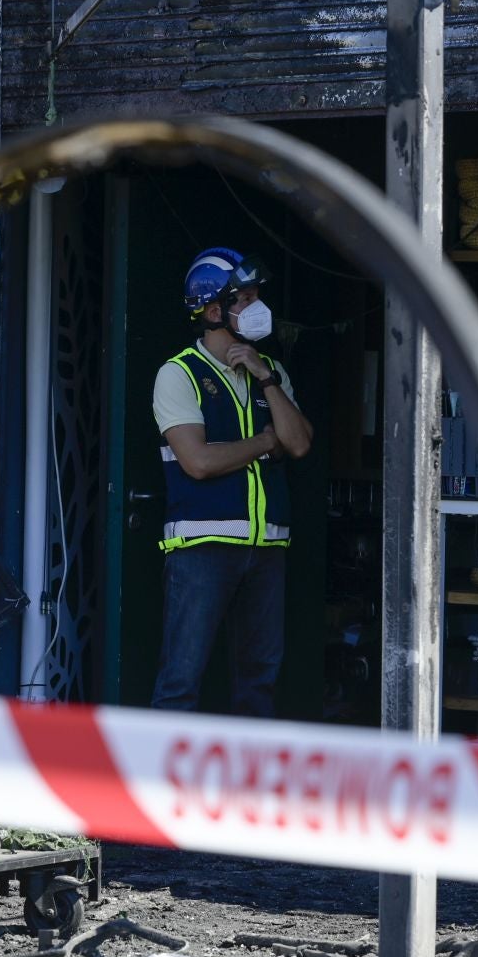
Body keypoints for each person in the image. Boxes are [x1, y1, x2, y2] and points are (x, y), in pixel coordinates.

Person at [151, 247, 313, 717]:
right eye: (245, 297)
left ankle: (249, 791)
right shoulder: (179, 373)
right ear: (214, 310)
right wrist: (266, 442)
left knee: (259, 684)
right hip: (202, 549)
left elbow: (299, 443)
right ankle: (159, 787)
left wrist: (265, 378)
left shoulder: (272, 373)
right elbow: (197, 461)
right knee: (181, 681)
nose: (258, 305)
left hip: (266, 551)